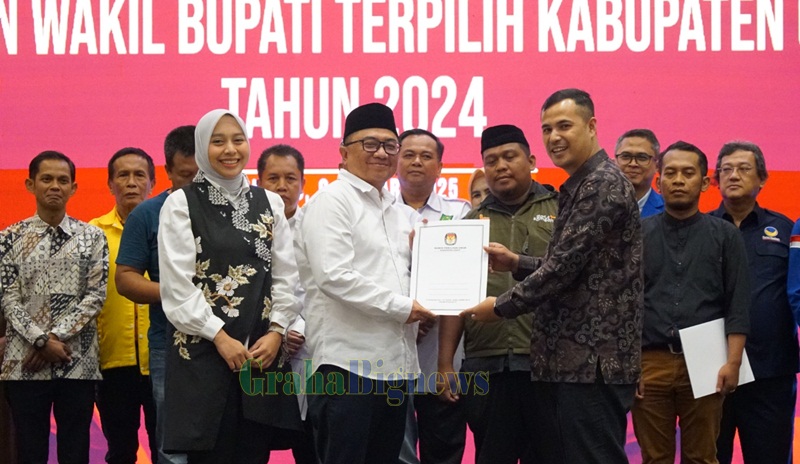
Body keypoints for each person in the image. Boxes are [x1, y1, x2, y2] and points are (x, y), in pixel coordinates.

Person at [463, 89, 642, 463]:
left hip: (592, 360)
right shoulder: (580, 185)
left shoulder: (601, 185)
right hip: (573, 361)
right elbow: (572, 264)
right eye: (546, 129)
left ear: (591, 126)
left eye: (564, 126)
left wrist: (499, 307)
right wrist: (517, 263)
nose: (554, 137)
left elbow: (562, 269)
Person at [293, 102, 437, 464]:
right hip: (347, 368)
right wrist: (404, 308)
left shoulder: (397, 212)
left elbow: (403, 276)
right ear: (344, 153)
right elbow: (334, 276)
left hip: (395, 367)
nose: (382, 153)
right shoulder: (331, 202)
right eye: (370, 144)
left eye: (390, 145)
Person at [158, 109, 302, 463]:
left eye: (238, 140)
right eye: (218, 141)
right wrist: (220, 337)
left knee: (254, 452)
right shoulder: (181, 202)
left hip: (260, 355)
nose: (230, 150)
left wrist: (277, 332)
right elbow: (177, 287)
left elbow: (286, 276)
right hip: (204, 354)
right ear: (201, 147)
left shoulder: (269, 202)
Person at [439, 124, 557, 463]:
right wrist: (445, 364)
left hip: (548, 362)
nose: (501, 166)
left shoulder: (561, 210)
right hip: (485, 364)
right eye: (491, 161)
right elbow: (454, 298)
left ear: (531, 161)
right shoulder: (469, 223)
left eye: (509, 157)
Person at [632, 141, 750, 464]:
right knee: (654, 458)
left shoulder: (726, 235)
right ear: (659, 182)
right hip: (648, 361)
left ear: (705, 182)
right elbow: (625, 305)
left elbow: (738, 303)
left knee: (702, 457)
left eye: (688, 173)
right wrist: (629, 365)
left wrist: (733, 363)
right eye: (670, 173)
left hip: (708, 361)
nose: (679, 180)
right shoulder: (637, 234)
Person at [1, 151, 108, 464]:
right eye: (46, 179)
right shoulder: (8, 238)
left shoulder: (92, 237)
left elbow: (95, 297)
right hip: (23, 364)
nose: (55, 186)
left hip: (76, 360)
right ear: (30, 184)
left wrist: (52, 339)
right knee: (29, 451)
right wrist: (40, 340)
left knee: (76, 451)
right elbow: (8, 299)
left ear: (73, 188)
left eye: (63, 180)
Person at [709, 141, 797, 464]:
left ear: (762, 178)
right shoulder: (699, 229)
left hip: (770, 371)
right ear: (716, 179)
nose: (734, 175)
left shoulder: (786, 230)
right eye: (726, 169)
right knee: (707, 457)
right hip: (711, 370)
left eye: (744, 169)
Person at [115, 126, 198, 464]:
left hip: (230, 345)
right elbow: (126, 280)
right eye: (186, 176)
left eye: (202, 175)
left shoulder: (235, 210)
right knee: (172, 448)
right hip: (170, 345)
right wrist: (177, 293)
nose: (195, 184)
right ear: (168, 171)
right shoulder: (148, 214)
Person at [395, 128, 471, 464]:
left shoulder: (460, 212)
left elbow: (462, 278)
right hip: (390, 352)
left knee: (443, 449)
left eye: (426, 156)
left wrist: (428, 313)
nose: (416, 161)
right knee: (394, 451)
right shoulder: (377, 212)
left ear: (440, 167)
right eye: (408, 154)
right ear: (396, 161)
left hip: (442, 352)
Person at [90, 147, 157, 464]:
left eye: (139, 175)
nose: (131, 182)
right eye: (123, 175)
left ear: (152, 184)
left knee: (167, 450)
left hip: (162, 362)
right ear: (110, 184)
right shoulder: (92, 234)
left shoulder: (170, 228)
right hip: (111, 361)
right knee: (119, 452)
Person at [256, 144, 316, 464]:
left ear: (302, 183)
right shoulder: (246, 229)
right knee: (256, 444)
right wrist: (278, 329)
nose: (282, 186)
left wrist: (299, 327)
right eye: (273, 178)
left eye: (290, 178)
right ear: (258, 182)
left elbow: (323, 288)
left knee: (310, 446)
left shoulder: (317, 227)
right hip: (259, 349)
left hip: (308, 349)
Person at [614, 128, 664, 217]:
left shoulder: (670, 209)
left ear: (657, 166)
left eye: (642, 158)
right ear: (614, 162)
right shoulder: (597, 205)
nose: (633, 164)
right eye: (625, 156)